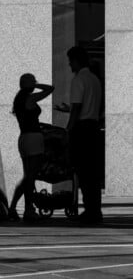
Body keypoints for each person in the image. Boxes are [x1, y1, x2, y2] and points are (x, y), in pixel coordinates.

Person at [55, 46, 103, 224]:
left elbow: (77, 108)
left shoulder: (78, 80)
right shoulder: (95, 80)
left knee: (82, 170)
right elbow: (89, 107)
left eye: (70, 60)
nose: (69, 64)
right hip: (94, 127)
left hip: (82, 129)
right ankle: (95, 210)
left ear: (76, 60)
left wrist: (68, 130)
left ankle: (89, 211)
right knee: (94, 172)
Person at [8, 73, 54, 222]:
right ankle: (28, 210)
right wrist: (35, 86)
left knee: (27, 176)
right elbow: (50, 89)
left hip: (23, 139)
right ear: (28, 84)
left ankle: (13, 208)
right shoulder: (30, 98)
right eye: (33, 82)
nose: (35, 84)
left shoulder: (19, 99)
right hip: (34, 138)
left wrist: (31, 85)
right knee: (31, 176)